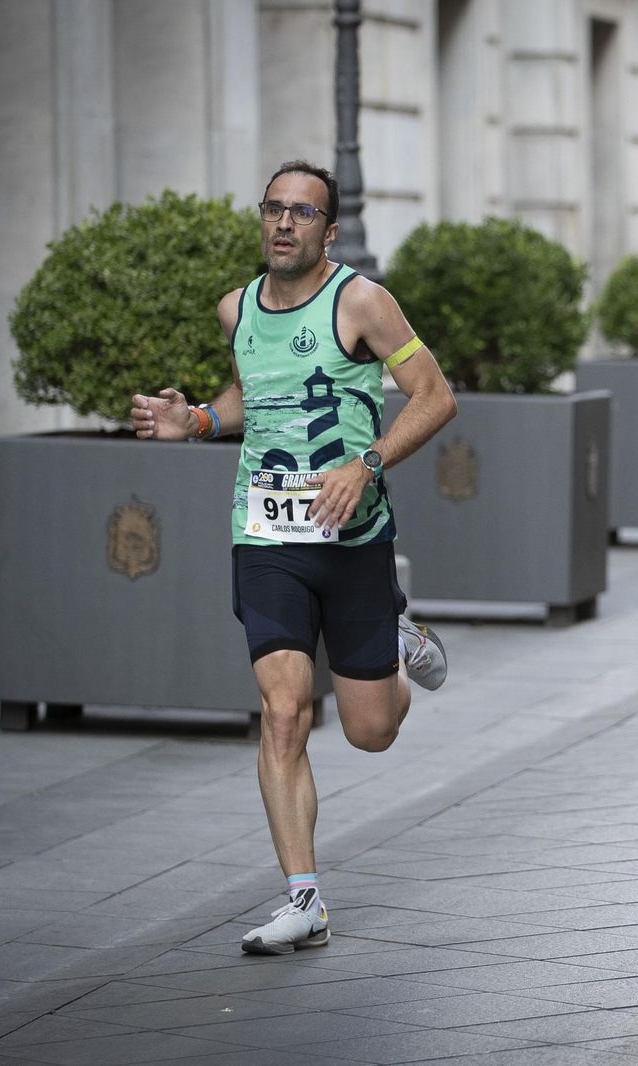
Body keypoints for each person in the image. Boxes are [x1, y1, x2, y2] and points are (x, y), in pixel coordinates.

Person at [129, 160, 458, 955]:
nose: (283, 223)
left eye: (302, 212)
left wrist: (367, 463)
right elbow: (256, 394)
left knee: (370, 731)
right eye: (273, 209)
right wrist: (200, 420)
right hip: (266, 536)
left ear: (328, 229)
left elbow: (436, 394)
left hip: (352, 540)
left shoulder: (361, 302)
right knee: (281, 712)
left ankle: (393, 633)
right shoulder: (236, 308)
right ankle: (303, 899)